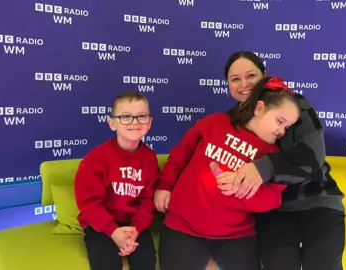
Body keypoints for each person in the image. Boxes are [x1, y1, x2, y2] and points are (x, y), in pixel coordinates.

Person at [154, 76, 300, 270]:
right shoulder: (215, 123)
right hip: (182, 226)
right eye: (279, 121)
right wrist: (164, 186)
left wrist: (243, 188)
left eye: (287, 127)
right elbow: (180, 156)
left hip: (236, 235)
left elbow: (272, 200)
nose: (282, 131)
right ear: (259, 108)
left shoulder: (275, 156)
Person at [217, 51, 345, 270]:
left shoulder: (294, 105)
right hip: (272, 211)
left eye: (251, 75)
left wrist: (263, 168)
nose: (244, 84)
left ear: (265, 76)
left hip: (317, 201)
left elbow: (312, 157)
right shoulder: (229, 122)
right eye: (235, 79)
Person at [74, 92, 158, 270]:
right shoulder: (96, 159)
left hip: (133, 225)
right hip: (100, 224)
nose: (135, 122)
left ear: (149, 123)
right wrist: (112, 231)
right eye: (126, 116)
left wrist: (136, 228)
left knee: (147, 261)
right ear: (112, 123)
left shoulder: (150, 158)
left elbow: (147, 199)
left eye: (141, 116)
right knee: (106, 264)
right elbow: (89, 203)